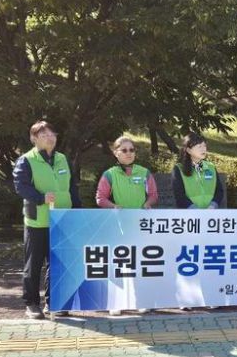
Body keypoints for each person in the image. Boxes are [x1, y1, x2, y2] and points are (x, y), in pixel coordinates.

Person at [13, 121, 82, 319]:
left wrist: (77, 211)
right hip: (38, 221)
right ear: (34, 139)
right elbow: (20, 186)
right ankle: (32, 304)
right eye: (44, 135)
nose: (50, 138)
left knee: (58, 263)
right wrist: (40, 198)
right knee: (33, 264)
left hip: (63, 219)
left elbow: (72, 187)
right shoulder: (26, 160)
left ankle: (54, 303)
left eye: (52, 134)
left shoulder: (63, 159)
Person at [96, 136, 158, 315]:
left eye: (132, 150)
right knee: (118, 264)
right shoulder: (109, 174)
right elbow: (100, 198)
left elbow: (153, 195)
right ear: (116, 153)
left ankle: (141, 301)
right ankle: (116, 303)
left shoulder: (144, 172)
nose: (129, 153)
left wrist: (148, 203)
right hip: (118, 225)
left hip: (140, 225)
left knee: (139, 263)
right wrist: (113, 206)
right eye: (124, 150)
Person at [172, 132, 226, 210]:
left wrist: (213, 205)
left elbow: (219, 191)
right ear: (189, 150)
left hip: (210, 213)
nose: (203, 149)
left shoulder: (210, 167)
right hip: (189, 214)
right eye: (199, 146)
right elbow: (179, 196)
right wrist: (195, 211)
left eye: (204, 146)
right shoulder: (178, 169)